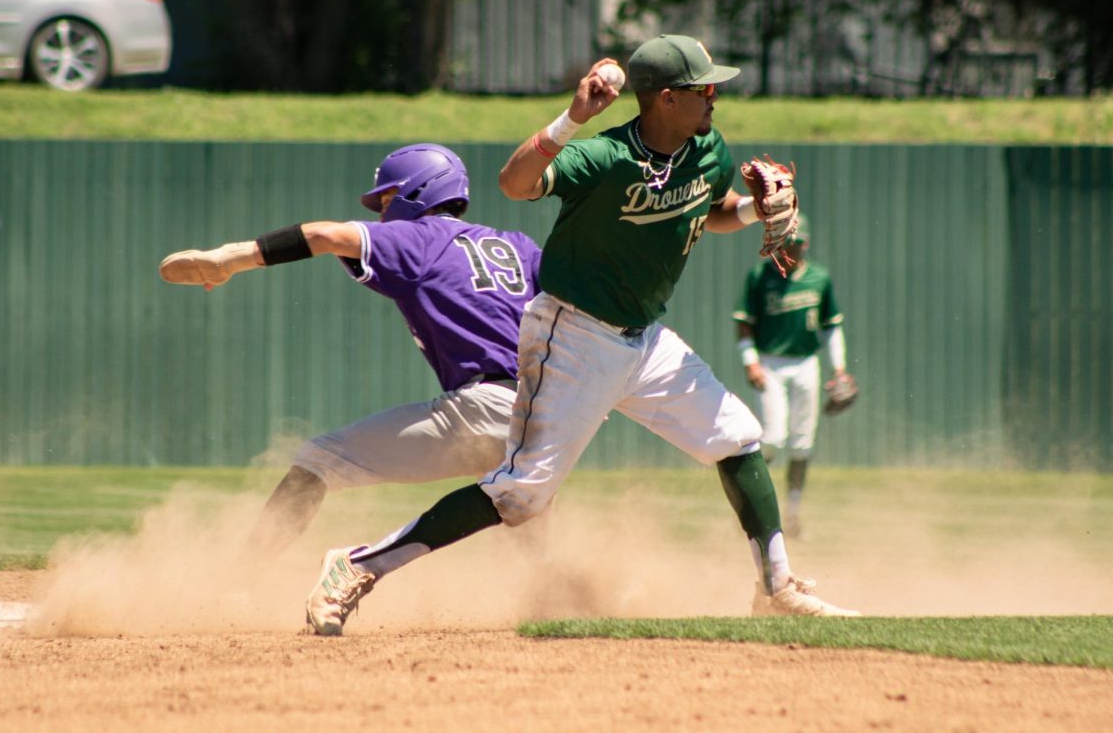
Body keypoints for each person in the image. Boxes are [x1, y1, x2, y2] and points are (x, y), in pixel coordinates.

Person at [304, 34, 859, 635]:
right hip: (573, 335)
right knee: (520, 494)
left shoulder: (708, 149)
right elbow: (516, 183)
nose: (715, 96)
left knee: (738, 438)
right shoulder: (604, 156)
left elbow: (710, 210)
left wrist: (751, 208)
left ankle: (776, 587)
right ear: (666, 98)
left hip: (646, 339)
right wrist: (573, 117)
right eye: (704, 88)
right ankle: (358, 565)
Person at [157, 144, 541, 558]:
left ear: (420, 191)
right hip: (548, 416)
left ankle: (244, 577)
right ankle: (573, 595)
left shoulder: (421, 237)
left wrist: (230, 259)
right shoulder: (518, 246)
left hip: (483, 407)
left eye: (389, 198)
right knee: (524, 519)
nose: (382, 211)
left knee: (319, 460)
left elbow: (324, 235)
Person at [734, 218, 851, 538]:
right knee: (773, 436)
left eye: (798, 244)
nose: (793, 249)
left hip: (806, 363)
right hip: (771, 363)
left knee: (802, 443)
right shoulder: (761, 275)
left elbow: (831, 325)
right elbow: (745, 322)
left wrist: (839, 368)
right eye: (788, 244)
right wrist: (751, 362)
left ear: (807, 244)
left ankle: (793, 512)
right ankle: (755, 503)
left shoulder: (818, 278)